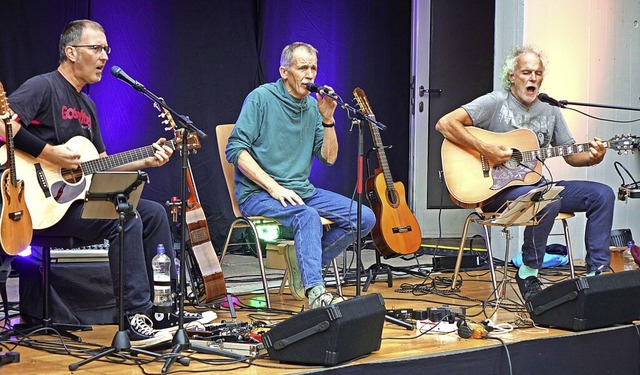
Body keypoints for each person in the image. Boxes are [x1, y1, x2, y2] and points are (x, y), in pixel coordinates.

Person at [5, 20, 210, 347]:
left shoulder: (88, 106)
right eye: (96, 48)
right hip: (37, 207)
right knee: (123, 216)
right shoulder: (43, 87)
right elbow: (4, 128)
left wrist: (146, 159)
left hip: (73, 201)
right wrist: (50, 154)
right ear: (71, 52)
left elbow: (100, 165)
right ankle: (136, 315)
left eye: (106, 50)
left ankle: (163, 309)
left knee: (154, 212)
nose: (104, 56)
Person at [436, 45, 614, 302]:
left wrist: (594, 157)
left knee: (602, 194)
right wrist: (487, 149)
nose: (533, 78)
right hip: (497, 192)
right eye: (526, 72)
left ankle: (598, 274)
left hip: (536, 187)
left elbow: (571, 155)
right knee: (545, 198)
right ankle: (528, 271)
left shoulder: (550, 109)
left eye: (538, 73)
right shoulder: (495, 102)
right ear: (512, 76)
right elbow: (445, 123)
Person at [225, 42, 376, 309]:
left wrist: (328, 119)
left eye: (313, 68)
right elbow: (235, 150)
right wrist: (273, 188)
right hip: (258, 193)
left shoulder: (312, 107)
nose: (309, 74)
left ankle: (304, 264)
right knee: (306, 215)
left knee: (364, 217)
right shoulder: (262, 98)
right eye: (302, 67)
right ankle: (316, 293)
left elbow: (329, 158)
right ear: (284, 71)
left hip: (301, 190)